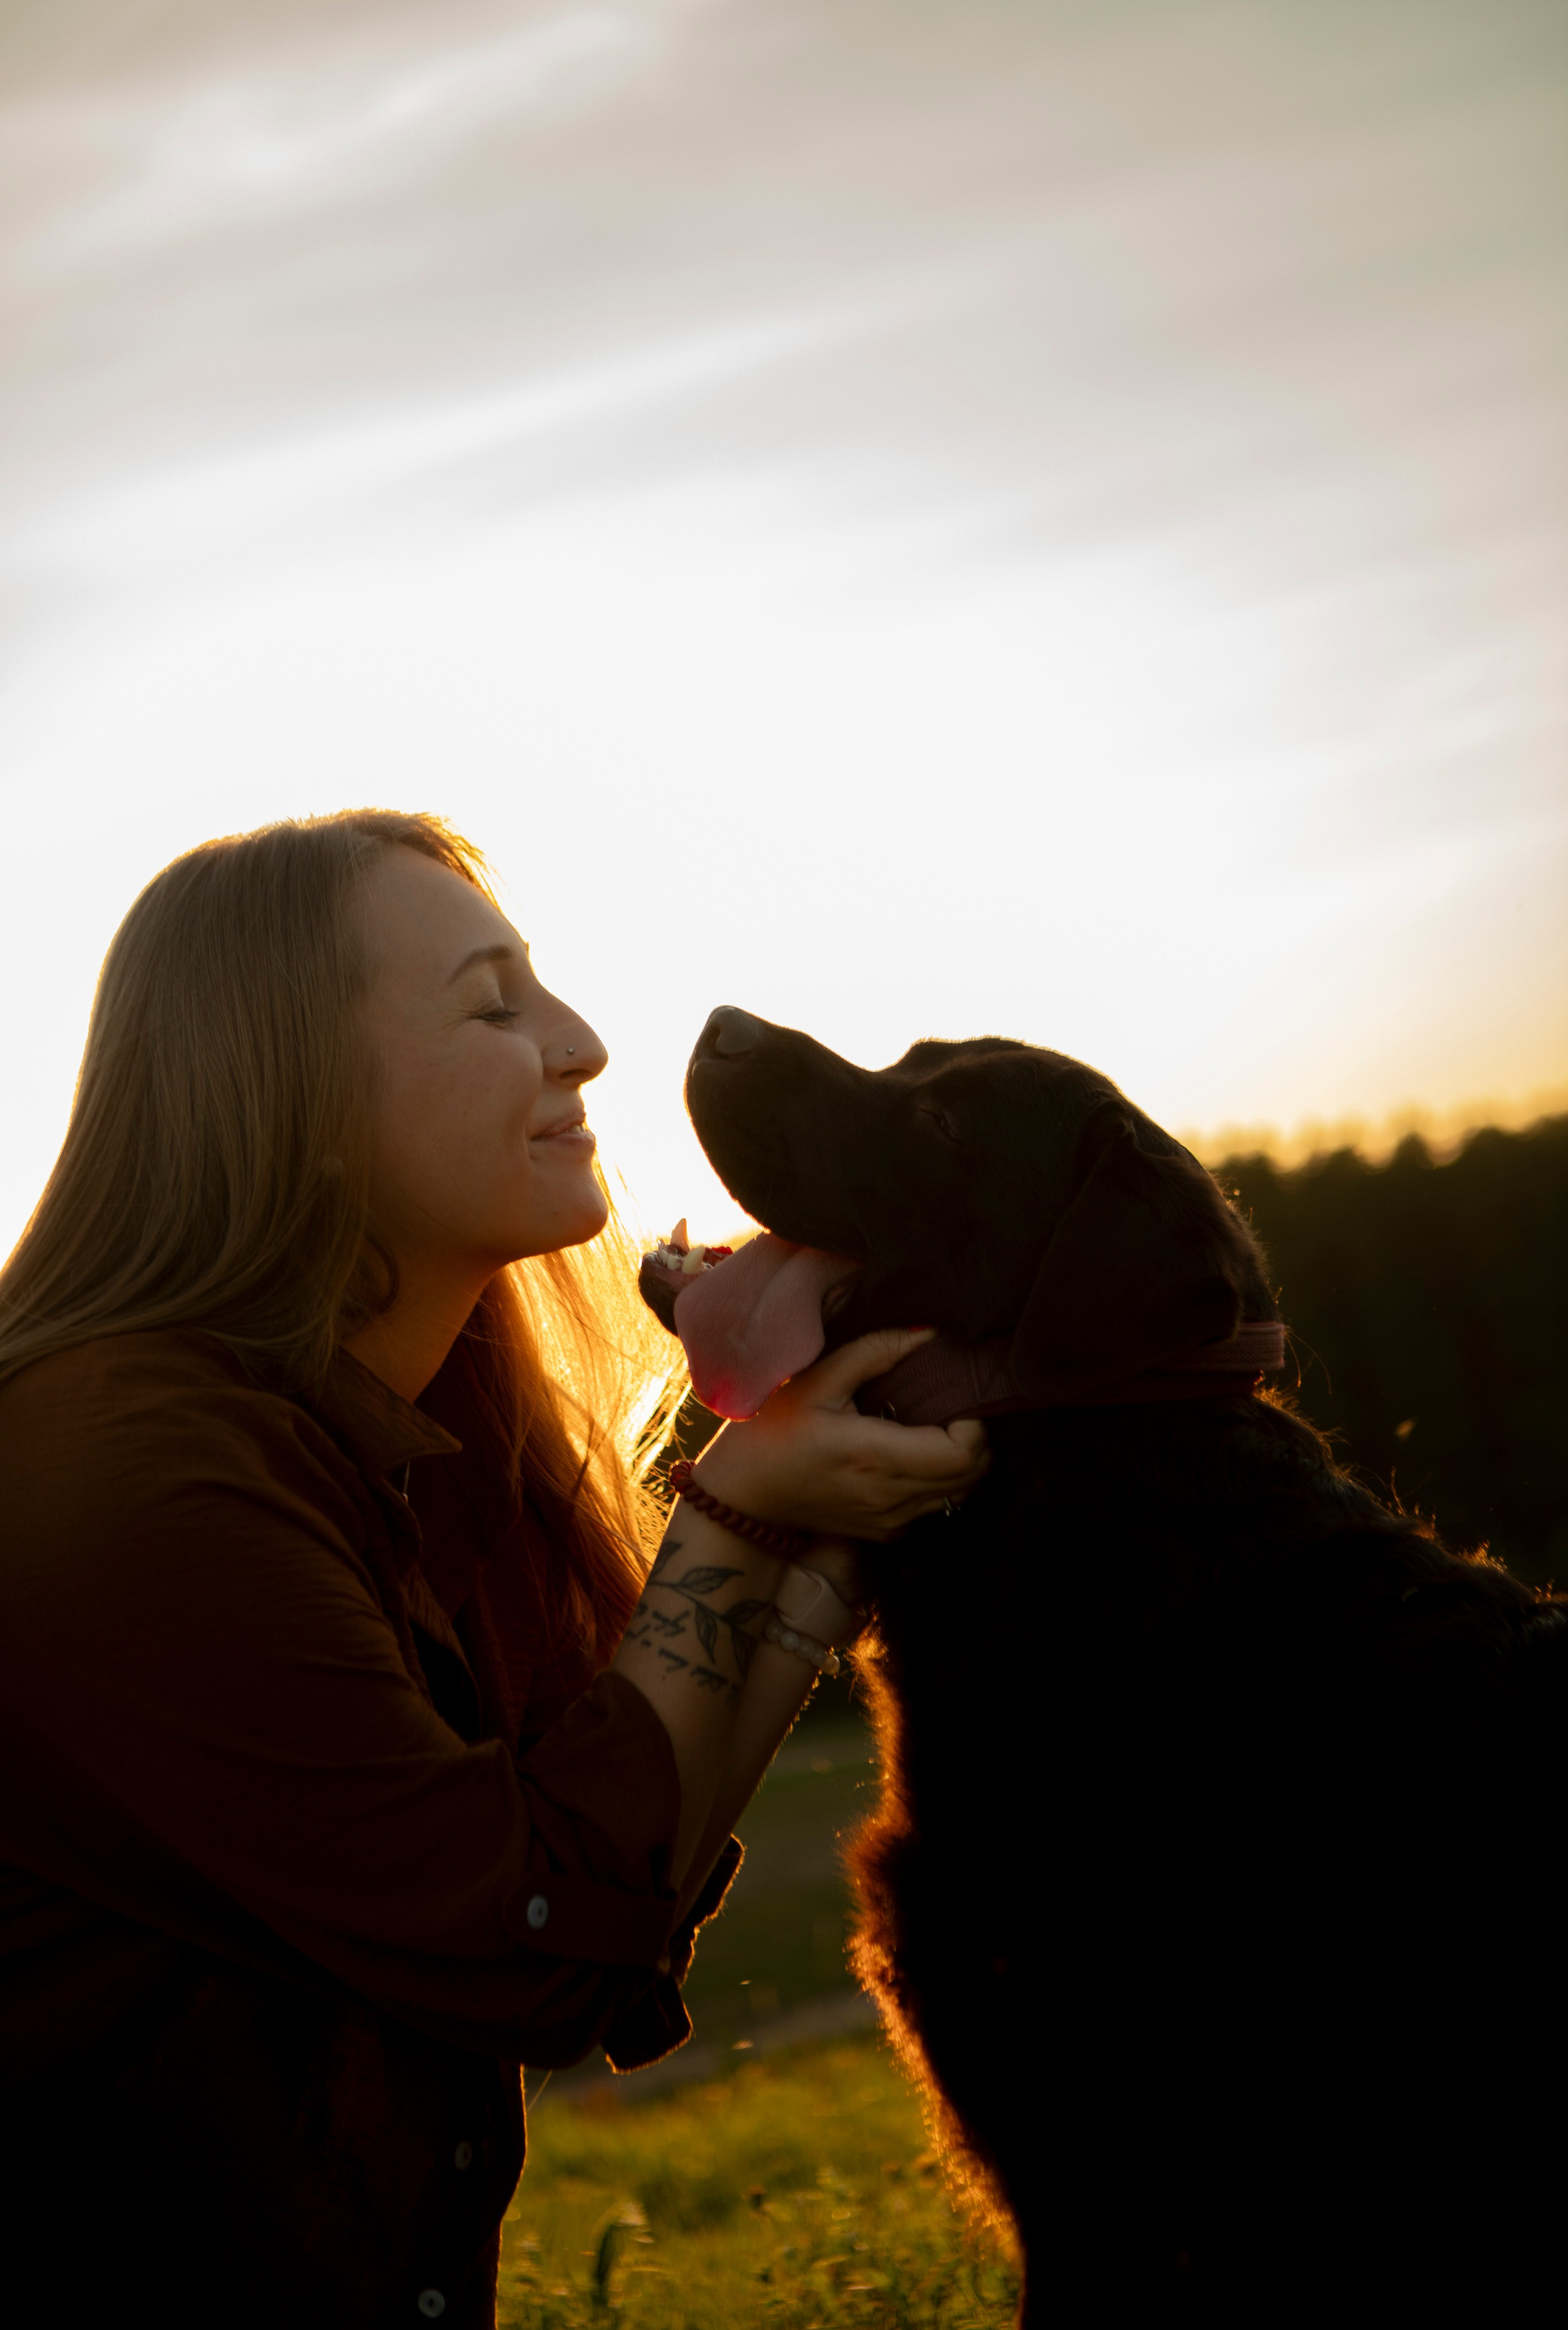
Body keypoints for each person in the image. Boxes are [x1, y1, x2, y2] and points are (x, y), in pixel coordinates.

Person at [0, 810, 987, 2329]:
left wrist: (801, 1544)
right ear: (298, 1100)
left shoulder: (409, 1433)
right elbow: (520, 1947)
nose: (584, 1045)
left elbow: (596, 1908)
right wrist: (739, 1522)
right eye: (491, 1003)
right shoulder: (119, 1477)